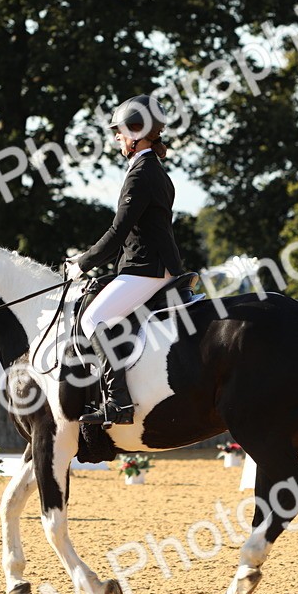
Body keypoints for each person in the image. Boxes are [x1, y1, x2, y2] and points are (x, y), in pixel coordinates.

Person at [65, 94, 184, 426]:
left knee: (92, 319)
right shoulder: (153, 169)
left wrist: (83, 263)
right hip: (151, 264)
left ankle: (118, 401)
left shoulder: (141, 173)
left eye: (120, 131)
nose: (116, 137)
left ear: (135, 132)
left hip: (147, 268)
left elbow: (120, 230)